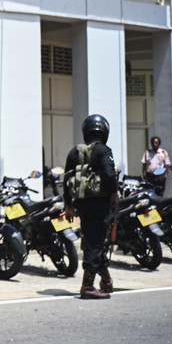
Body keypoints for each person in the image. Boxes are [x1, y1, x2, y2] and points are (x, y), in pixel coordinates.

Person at [63, 114, 118, 299]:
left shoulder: (74, 152)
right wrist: (114, 193)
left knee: (92, 240)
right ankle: (87, 287)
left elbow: (66, 180)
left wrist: (68, 205)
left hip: (81, 204)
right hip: (99, 203)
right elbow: (109, 175)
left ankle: (106, 281)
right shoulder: (103, 150)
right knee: (95, 243)